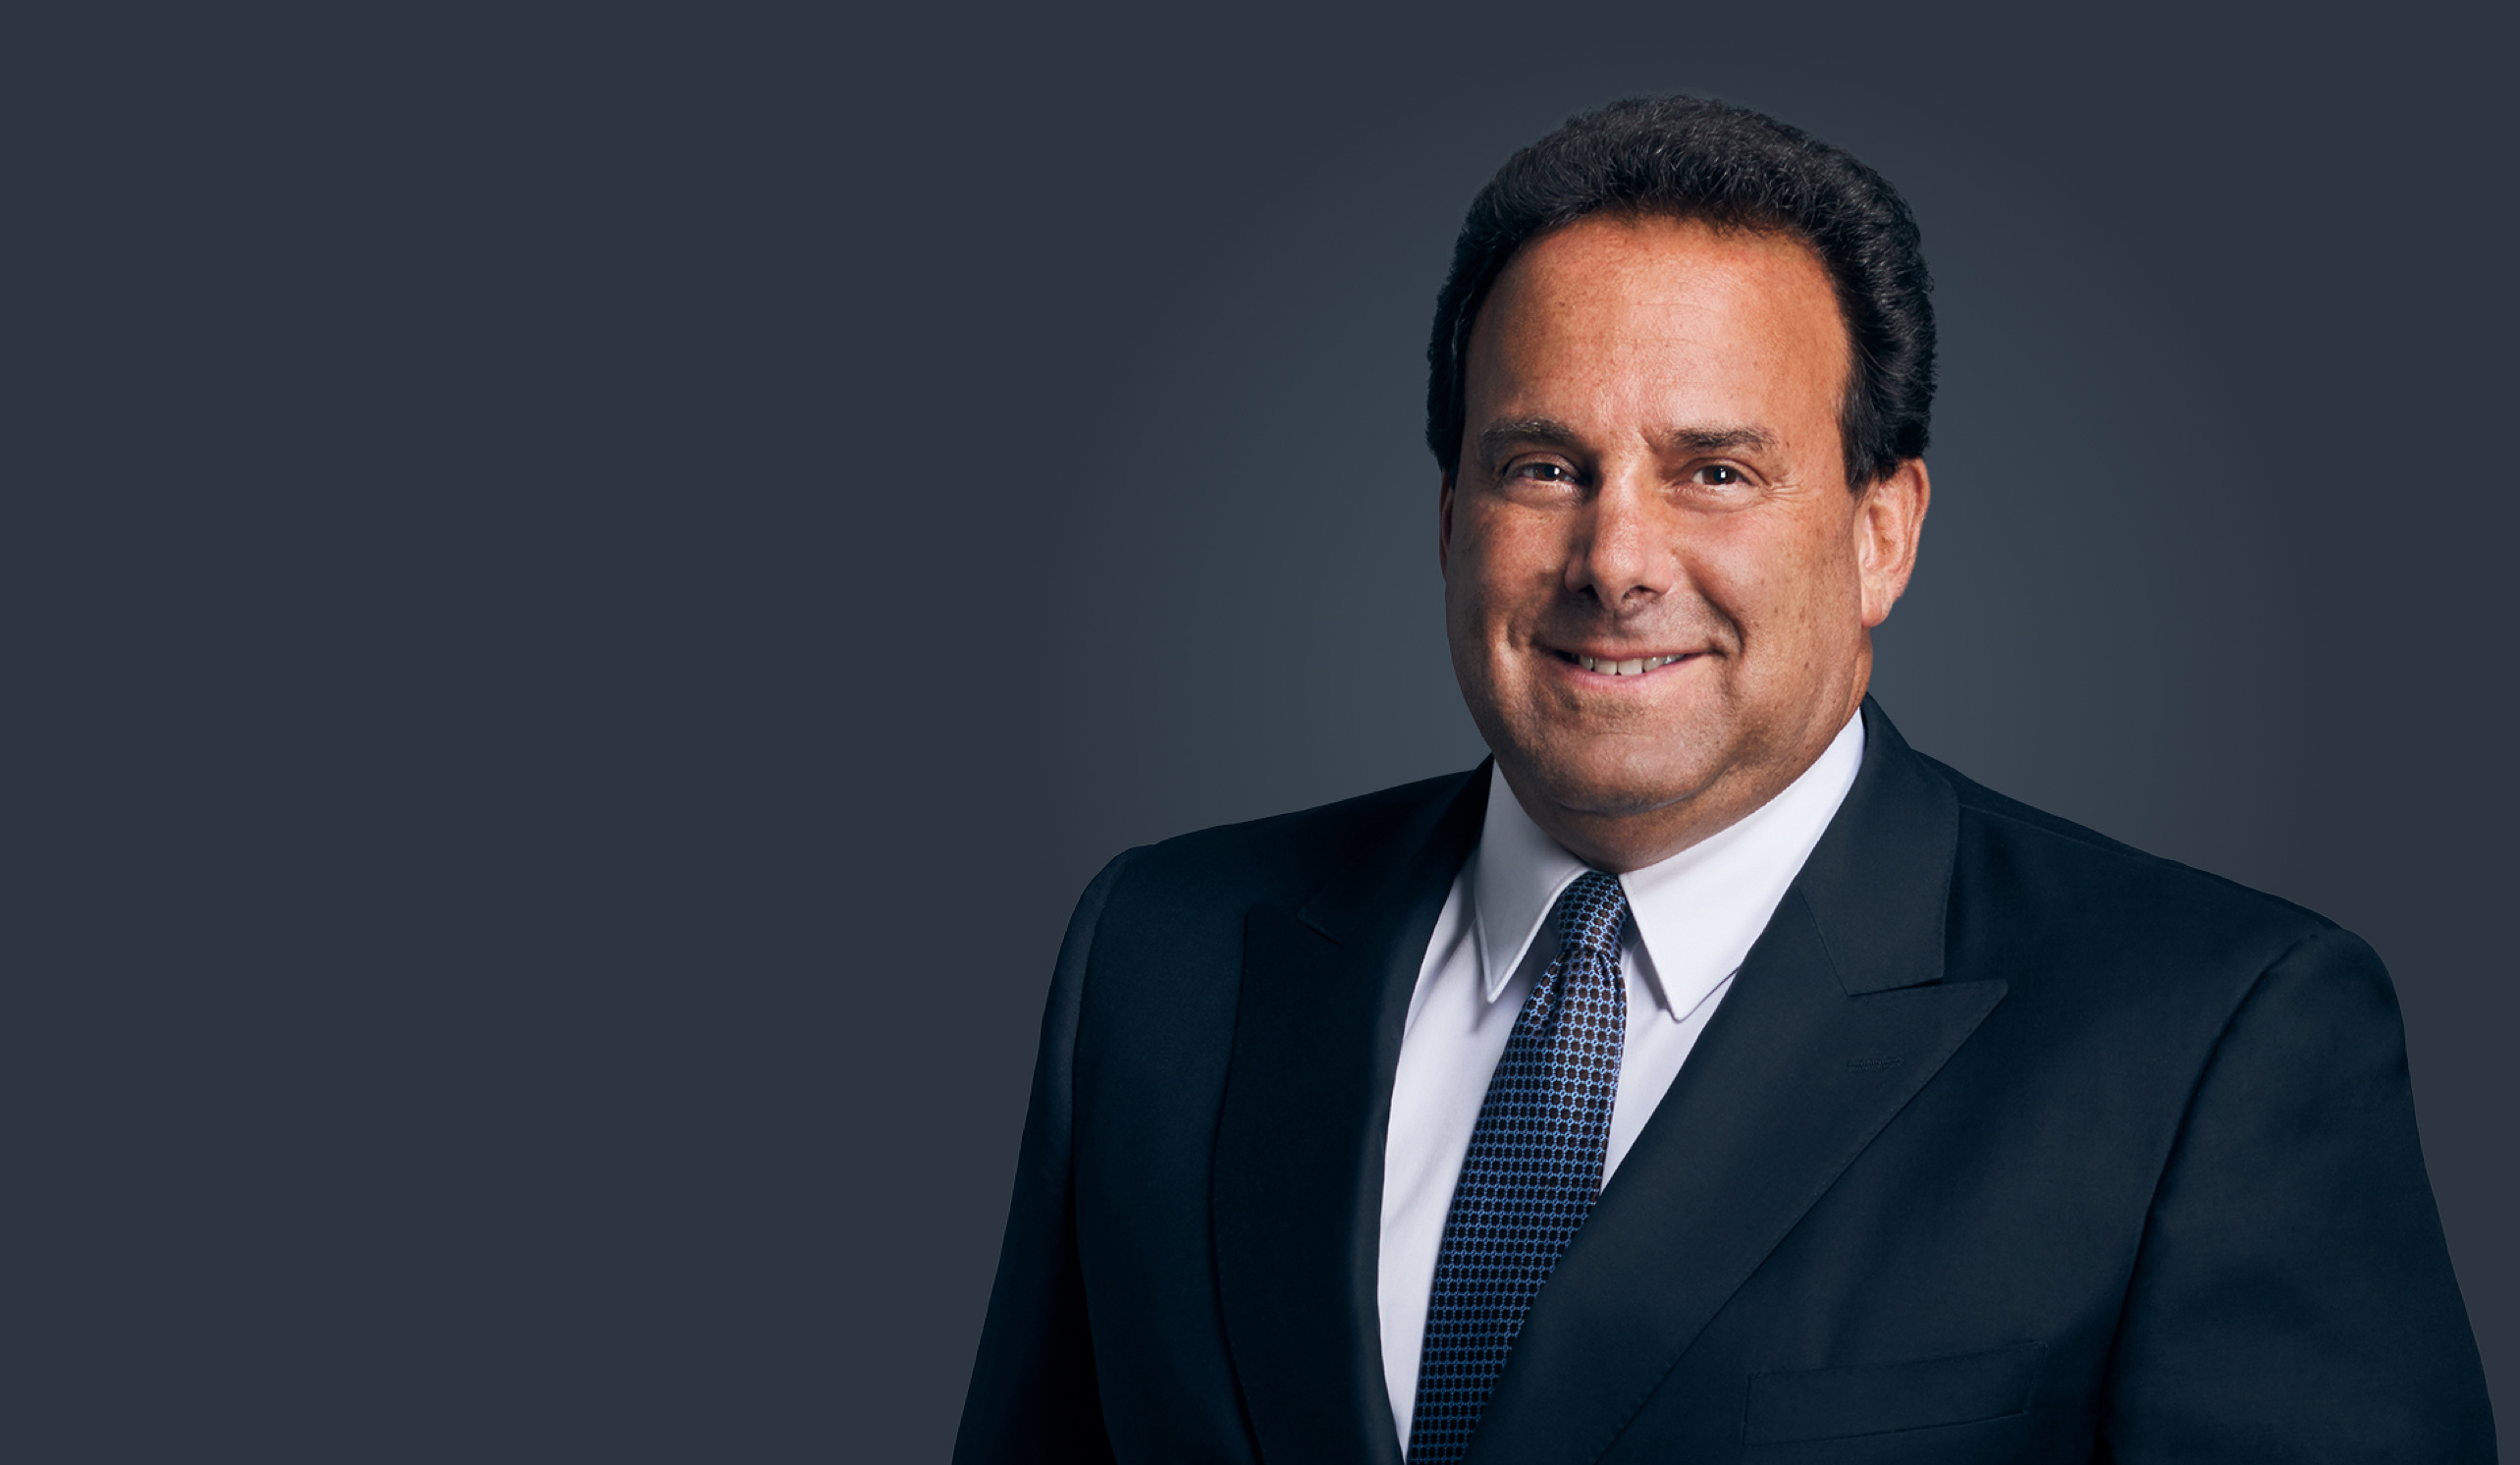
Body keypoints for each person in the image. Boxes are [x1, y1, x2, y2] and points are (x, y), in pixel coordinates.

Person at [951, 95, 2493, 1464]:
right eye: (1543, 466)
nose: (1616, 560)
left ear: (1882, 533)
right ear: (1450, 521)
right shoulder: (1161, 955)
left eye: (1717, 472)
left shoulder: (2212, 1035)